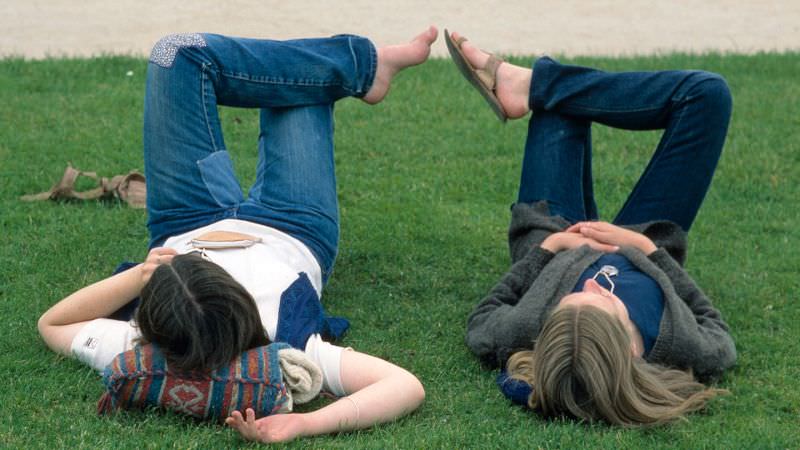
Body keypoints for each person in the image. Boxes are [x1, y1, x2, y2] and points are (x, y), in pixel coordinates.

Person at [37, 26, 439, 443]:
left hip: (186, 218)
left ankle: (363, 67)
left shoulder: (134, 342)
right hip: (293, 223)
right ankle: (361, 65)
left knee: (174, 54)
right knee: (299, 90)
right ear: (241, 304)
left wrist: (137, 276)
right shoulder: (285, 344)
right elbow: (404, 386)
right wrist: (304, 423)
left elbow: (52, 323)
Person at [446, 30, 737, 426]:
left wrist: (547, 249)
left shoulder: (524, 329)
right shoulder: (687, 346)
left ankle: (532, 86)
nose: (592, 285)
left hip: (555, 227)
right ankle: (530, 84)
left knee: (559, 106)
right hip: (644, 236)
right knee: (709, 94)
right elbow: (713, 324)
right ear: (631, 352)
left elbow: (483, 318)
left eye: (572, 299)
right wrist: (647, 251)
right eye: (605, 301)